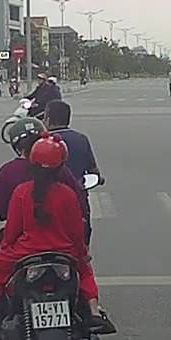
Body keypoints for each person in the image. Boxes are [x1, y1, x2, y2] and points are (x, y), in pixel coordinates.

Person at [0, 134, 112, 340]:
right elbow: (76, 231)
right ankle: (94, 311)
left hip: (26, 252)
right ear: (61, 164)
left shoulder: (22, 192)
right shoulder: (67, 193)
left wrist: (6, 249)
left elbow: (12, 230)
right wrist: (82, 254)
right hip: (63, 252)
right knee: (85, 272)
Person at [0, 117, 90, 228]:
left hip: (23, 234)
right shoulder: (60, 170)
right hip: (61, 233)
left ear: (17, 147)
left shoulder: (9, 172)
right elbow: (80, 203)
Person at [43, 100, 98, 244]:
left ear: (48, 119)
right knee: (83, 240)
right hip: (77, 199)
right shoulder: (81, 139)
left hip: (44, 201)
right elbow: (93, 170)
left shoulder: (41, 142)